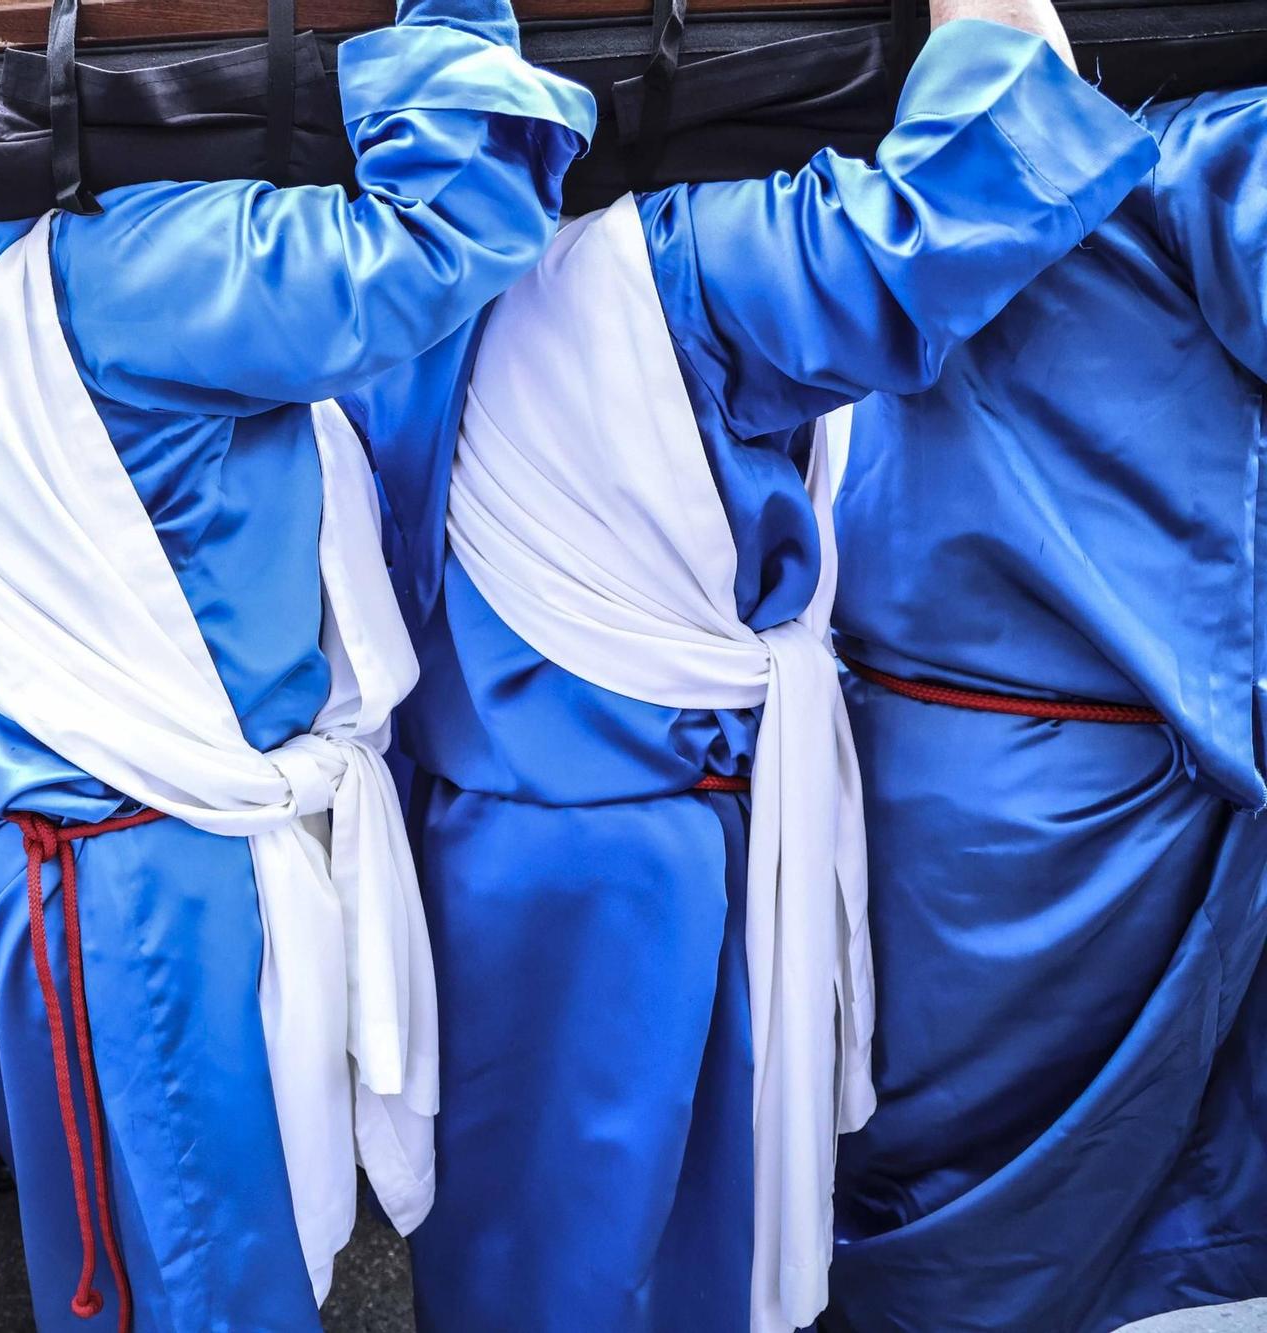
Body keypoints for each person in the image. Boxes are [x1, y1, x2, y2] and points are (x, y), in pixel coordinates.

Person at [341, 3, 1158, 1329]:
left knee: (530, 1256)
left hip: (487, 834)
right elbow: (936, 225)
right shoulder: (691, 262)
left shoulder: (406, 278)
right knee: (640, 1262)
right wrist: (989, 25)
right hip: (641, 872)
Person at [0, 0, 594, 1324]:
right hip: (124, 878)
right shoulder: (149, 254)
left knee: (179, 1276)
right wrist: (448, 17)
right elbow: (445, 230)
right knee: (205, 1293)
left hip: (88, 854)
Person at [823, 81, 1267, 1333]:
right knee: (1066, 1149)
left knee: (916, 1113)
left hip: (902, 739)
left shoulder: (916, 180)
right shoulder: (1215, 150)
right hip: (1096, 780)